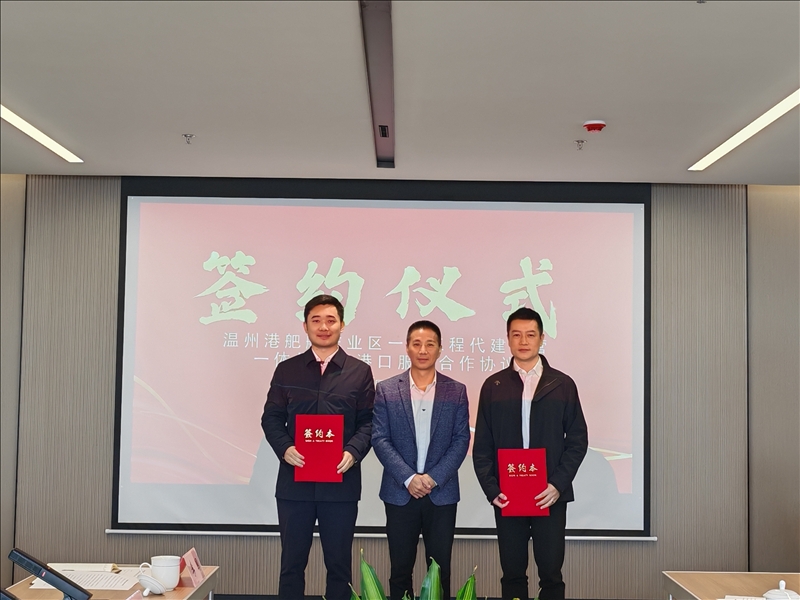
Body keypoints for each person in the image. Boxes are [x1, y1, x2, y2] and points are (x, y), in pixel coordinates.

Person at [261, 295, 375, 600]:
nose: (324, 327)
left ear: (342, 325)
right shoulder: (287, 370)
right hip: (294, 485)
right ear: (305, 326)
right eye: (316, 320)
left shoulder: (359, 371)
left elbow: (368, 422)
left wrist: (353, 452)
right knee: (291, 565)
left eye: (330, 320)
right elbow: (271, 418)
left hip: (340, 485)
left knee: (339, 567)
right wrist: (285, 448)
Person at [473, 307, 588, 600]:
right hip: (508, 495)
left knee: (551, 575)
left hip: (549, 494)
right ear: (508, 339)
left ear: (541, 338)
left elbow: (577, 440)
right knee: (512, 574)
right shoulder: (494, 386)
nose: (523, 341)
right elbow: (482, 446)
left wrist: (558, 484)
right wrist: (492, 489)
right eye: (516, 335)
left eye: (530, 335)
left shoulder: (561, 384)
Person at [372, 320, 470, 600]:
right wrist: (409, 478)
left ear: (440, 349)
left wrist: (432, 478)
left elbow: (461, 440)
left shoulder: (456, 391)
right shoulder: (387, 389)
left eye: (430, 344)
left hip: (441, 494)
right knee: (400, 571)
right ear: (407, 347)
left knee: (439, 571)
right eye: (417, 344)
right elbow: (380, 438)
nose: (423, 350)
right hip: (399, 493)